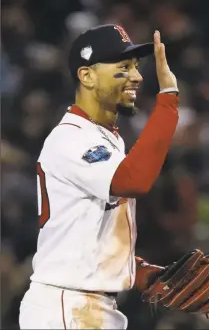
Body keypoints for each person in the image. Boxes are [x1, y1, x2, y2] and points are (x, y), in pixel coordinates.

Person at [19, 24, 180, 329]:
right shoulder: (70, 137)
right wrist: (168, 100)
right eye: (123, 67)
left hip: (88, 305)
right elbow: (132, 181)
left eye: (135, 67)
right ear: (87, 76)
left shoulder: (107, 138)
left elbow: (86, 232)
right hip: (67, 306)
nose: (137, 77)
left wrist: (137, 270)